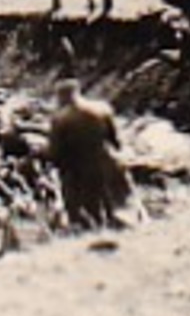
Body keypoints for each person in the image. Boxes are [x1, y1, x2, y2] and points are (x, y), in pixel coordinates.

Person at [45, 79, 132, 231]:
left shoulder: (59, 118)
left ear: (61, 96)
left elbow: (56, 152)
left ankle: (86, 227)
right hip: (104, 161)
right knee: (107, 196)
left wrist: (53, 163)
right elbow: (115, 140)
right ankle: (113, 221)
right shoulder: (102, 108)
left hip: (78, 167)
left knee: (79, 201)